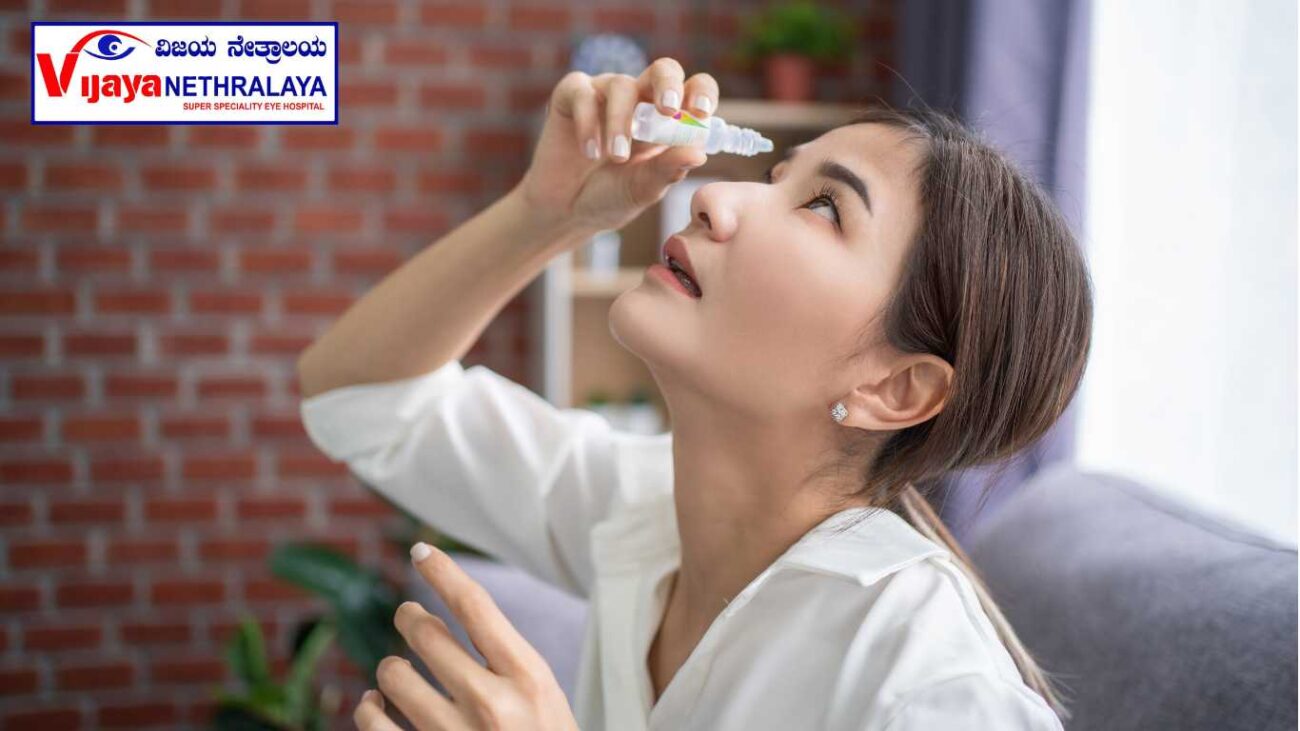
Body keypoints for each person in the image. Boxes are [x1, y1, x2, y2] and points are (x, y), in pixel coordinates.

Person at [299, 57, 1091, 731]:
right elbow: (358, 398)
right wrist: (545, 213)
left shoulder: (930, 685)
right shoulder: (645, 513)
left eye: (823, 207)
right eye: (780, 176)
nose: (714, 196)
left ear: (896, 385)